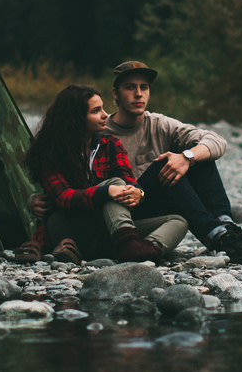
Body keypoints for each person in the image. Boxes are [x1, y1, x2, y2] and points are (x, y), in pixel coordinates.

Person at [101, 60, 242, 258]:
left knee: (198, 154)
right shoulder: (102, 131)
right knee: (165, 165)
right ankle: (219, 238)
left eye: (144, 87)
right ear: (115, 93)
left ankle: (227, 228)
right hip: (126, 213)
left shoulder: (159, 123)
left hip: (160, 207)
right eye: (130, 87)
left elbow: (216, 141)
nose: (138, 94)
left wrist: (187, 157)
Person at [16, 84, 187, 264]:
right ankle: (128, 244)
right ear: (76, 117)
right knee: (113, 184)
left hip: (107, 228)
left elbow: (127, 178)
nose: (106, 115)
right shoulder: (51, 151)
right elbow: (63, 198)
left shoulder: (110, 144)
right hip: (65, 228)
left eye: (103, 108)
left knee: (178, 221)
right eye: (96, 111)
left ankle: (143, 249)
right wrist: (106, 191)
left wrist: (138, 192)